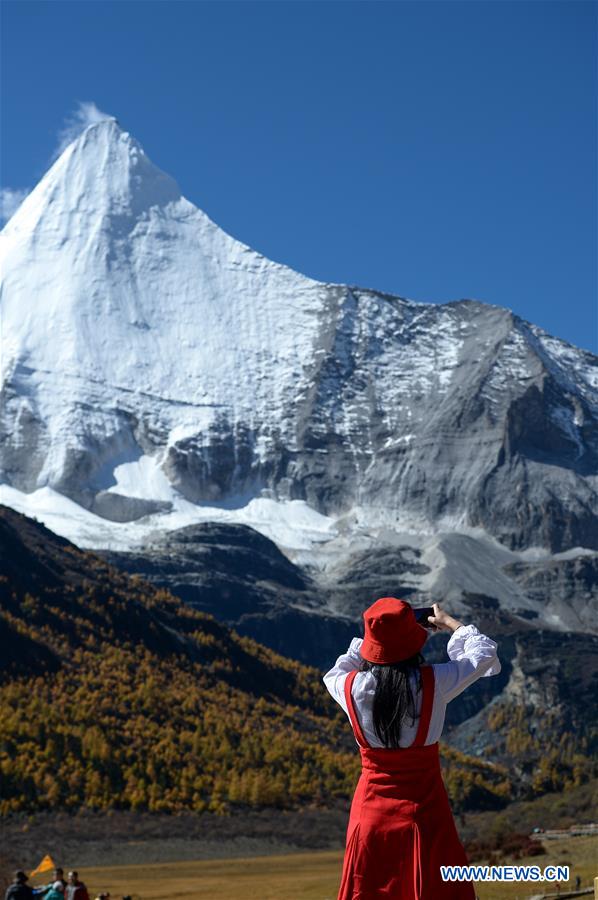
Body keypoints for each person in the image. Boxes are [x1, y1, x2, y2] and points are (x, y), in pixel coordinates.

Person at [323, 597, 501, 900]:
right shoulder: (434, 682)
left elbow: (343, 664)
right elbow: (484, 653)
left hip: (370, 815)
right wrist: (449, 623)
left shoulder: (348, 686)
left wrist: (377, 636)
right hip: (426, 810)